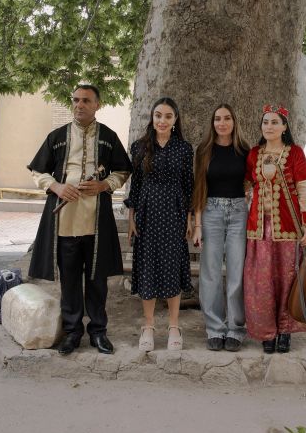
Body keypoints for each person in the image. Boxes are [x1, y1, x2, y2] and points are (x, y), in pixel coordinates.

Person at [28, 85, 132, 355]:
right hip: (65, 222)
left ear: (97, 105)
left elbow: (123, 170)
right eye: (76, 100)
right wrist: (57, 187)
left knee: (97, 280)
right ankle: (72, 332)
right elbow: (37, 171)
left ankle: (98, 331)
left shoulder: (108, 137)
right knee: (70, 279)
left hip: (96, 222)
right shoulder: (56, 136)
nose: (79, 105)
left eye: (86, 100)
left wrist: (104, 185)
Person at [243, 104, 306, 354]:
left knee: (287, 279)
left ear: (285, 127)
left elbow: (303, 191)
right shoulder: (254, 154)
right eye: (265, 122)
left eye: (275, 122)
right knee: (262, 281)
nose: (269, 126)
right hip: (259, 229)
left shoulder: (295, 153)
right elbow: (246, 185)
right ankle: (266, 331)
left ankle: (285, 330)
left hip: (288, 228)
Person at [126, 97, 193, 352]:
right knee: (148, 267)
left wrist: (189, 219)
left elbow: (188, 186)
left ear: (175, 120)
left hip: (174, 214)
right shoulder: (139, 146)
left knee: (172, 266)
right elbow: (135, 185)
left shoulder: (184, 148)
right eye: (158, 115)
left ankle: (174, 326)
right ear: (152, 118)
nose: (162, 120)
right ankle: (148, 326)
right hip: (147, 213)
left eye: (167, 116)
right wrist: (131, 219)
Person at [192, 104, 250, 352]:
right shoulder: (204, 150)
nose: (222, 123)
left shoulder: (244, 150)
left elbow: (251, 182)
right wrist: (197, 224)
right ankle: (215, 328)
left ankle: (236, 329)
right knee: (211, 273)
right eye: (217, 119)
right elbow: (199, 187)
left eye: (227, 118)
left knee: (237, 273)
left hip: (238, 212)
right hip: (211, 212)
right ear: (212, 122)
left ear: (234, 122)